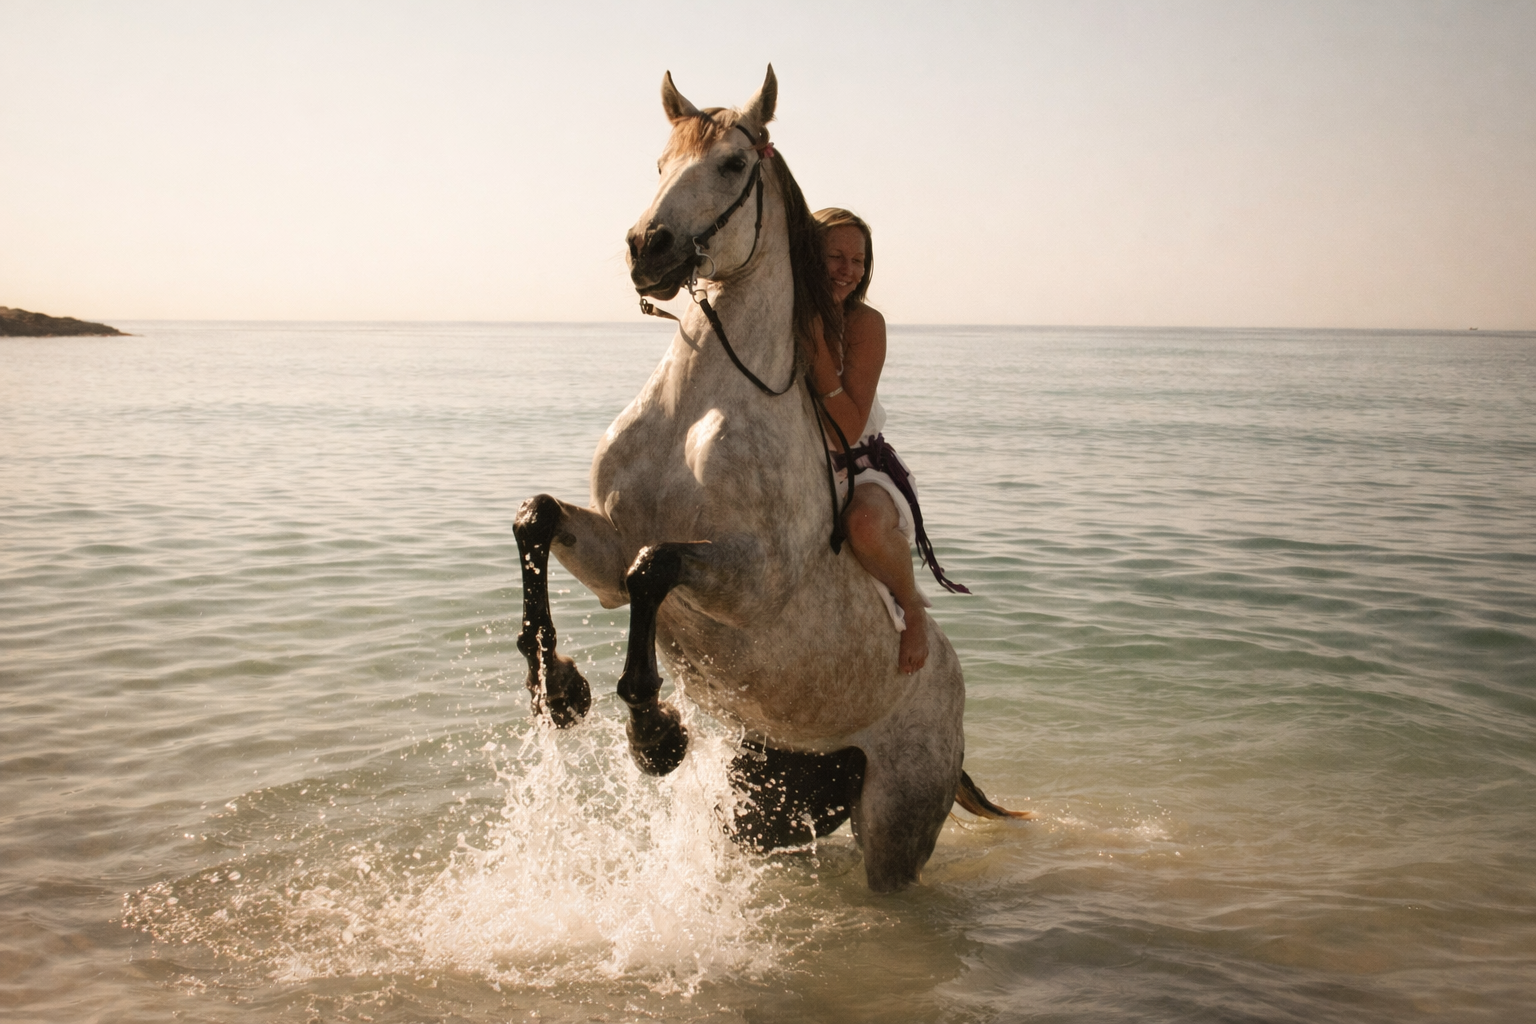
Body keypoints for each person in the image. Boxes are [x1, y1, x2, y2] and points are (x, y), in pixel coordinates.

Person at [806, 208, 968, 675]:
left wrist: (817, 354)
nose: (847, 270)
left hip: (860, 465)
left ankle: (913, 612)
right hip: (798, 463)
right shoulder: (785, 317)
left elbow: (851, 426)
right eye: (834, 256)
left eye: (858, 260)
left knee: (867, 526)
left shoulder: (864, 324)